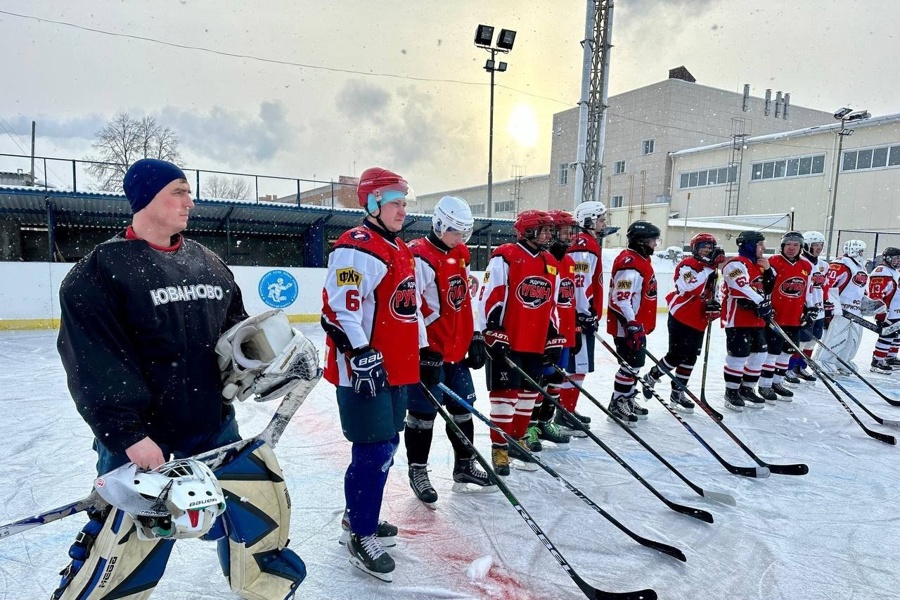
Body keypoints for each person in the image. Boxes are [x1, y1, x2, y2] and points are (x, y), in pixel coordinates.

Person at [54, 158, 305, 599]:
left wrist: (270, 360)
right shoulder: (99, 272)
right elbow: (94, 364)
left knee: (253, 518)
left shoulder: (208, 263)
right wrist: (128, 434)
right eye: (178, 192)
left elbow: (236, 335)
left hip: (213, 425)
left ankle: (264, 588)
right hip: (144, 443)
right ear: (144, 198)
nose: (190, 202)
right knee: (126, 551)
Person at [321, 167, 424, 582]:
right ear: (372, 203)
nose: (402, 209)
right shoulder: (358, 247)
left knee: (384, 446)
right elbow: (338, 307)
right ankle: (362, 533)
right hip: (363, 371)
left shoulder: (396, 246)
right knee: (374, 450)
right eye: (394, 202)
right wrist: (360, 352)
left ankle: (357, 516)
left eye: (403, 201)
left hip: (395, 369)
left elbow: (405, 308)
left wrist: (422, 353)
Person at [403, 196, 495, 507]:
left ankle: (464, 465)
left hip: (457, 349)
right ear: (440, 224)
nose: (461, 238)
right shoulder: (419, 257)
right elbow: (411, 308)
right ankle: (418, 470)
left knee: (463, 408)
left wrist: (476, 336)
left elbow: (466, 298)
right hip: (431, 352)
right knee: (422, 416)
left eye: (466, 233)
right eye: (457, 231)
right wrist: (422, 348)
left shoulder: (460, 252)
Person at [477, 209, 560, 473]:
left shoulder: (550, 261)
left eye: (549, 230)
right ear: (528, 231)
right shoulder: (506, 255)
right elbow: (491, 294)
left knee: (528, 394)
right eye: (544, 229)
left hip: (534, 341)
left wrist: (553, 333)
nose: (549, 235)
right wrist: (492, 329)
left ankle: (518, 439)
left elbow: (552, 302)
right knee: (505, 396)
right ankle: (500, 447)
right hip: (509, 339)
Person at [641, 233, 725, 410]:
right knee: (677, 354)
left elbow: (713, 291)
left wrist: (715, 305)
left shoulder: (712, 268)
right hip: (682, 314)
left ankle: (677, 392)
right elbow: (691, 287)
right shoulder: (688, 265)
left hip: (699, 318)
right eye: (703, 246)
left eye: (710, 247)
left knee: (691, 357)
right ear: (695, 248)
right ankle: (652, 376)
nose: (707, 250)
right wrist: (709, 268)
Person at [554, 200, 611, 436]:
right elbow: (580, 284)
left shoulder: (585, 244)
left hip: (577, 315)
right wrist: (585, 313)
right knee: (577, 367)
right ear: (588, 221)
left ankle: (566, 409)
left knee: (575, 367)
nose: (604, 223)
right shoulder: (584, 247)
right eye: (600, 219)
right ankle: (564, 413)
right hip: (577, 317)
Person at [527, 210, 578, 447]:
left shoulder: (567, 260)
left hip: (565, 331)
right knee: (540, 381)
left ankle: (546, 422)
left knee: (557, 379)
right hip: (545, 333)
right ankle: (531, 426)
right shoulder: (543, 259)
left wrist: (575, 326)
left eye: (571, 231)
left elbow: (568, 298)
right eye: (565, 231)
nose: (569, 236)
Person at [606, 220, 661, 423]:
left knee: (636, 364)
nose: (655, 244)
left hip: (636, 324)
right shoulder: (630, 264)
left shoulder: (641, 259)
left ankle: (626, 397)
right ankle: (617, 401)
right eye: (653, 240)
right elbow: (619, 298)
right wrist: (631, 323)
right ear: (641, 241)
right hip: (627, 326)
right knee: (630, 365)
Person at [756, 231, 816, 402]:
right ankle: (765, 384)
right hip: (775, 317)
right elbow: (762, 285)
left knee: (787, 353)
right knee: (772, 353)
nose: (792, 248)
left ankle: (777, 382)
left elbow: (807, 290)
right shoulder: (773, 262)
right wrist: (765, 305)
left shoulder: (806, 266)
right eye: (788, 244)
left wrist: (811, 308)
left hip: (794, 316)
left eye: (796, 245)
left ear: (801, 247)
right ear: (782, 246)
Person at [720, 230, 775, 411]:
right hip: (738, 319)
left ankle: (747, 388)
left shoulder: (759, 265)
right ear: (750, 245)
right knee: (738, 357)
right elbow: (740, 287)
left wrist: (768, 271)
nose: (763, 248)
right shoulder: (735, 264)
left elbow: (768, 287)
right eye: (760, 244)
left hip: (756, 319)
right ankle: (732, 391)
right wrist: (761, 302)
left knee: (759, 355)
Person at [814, 239, 869, 375]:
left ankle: (843, 360)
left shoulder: (859, 266)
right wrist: (830, 303)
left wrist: (866, 301)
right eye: (860, 251)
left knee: (853, 338)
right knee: (837, 336)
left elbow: (860, 289)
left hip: (855, 310)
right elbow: (828, 285)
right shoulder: (840, 265)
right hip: (842, 309)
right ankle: (824, 360)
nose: (862, 253)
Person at [787, 231, 830, 381]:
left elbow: (825, 286)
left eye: (821, 245)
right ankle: (789, 368)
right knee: (802, 340)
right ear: (806, 246)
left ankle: (801, 367)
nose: (818, 248)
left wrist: (827, 301)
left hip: (819, 309)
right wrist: (804, 305)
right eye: (815, 245)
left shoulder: (824, 265)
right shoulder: (802, 263)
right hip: (805, 308)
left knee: (813, 340)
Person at [867, 247, 900, 373]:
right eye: (896, 258)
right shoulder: (882, 272)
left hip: (896, 310)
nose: (898, 261)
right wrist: (881, 313)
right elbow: (876, 295)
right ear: (887, 258)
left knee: (897, 335)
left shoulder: (894, 271)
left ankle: (890, 357)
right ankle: (878, 360)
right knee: (887, 335)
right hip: (888, 312)